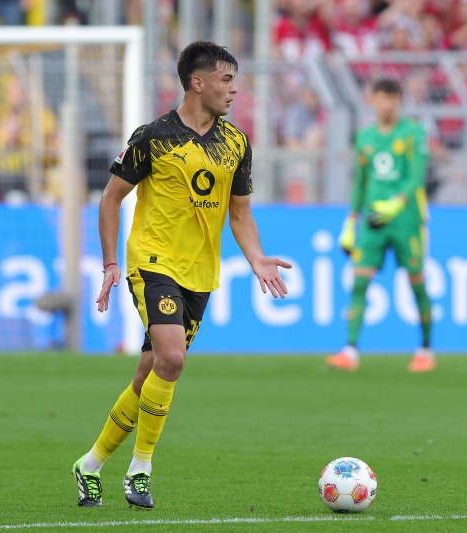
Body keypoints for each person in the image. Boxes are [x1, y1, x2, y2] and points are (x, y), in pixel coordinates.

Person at [71, 41, 292, 509]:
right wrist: (111, 263)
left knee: (148, 375)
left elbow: (240, 213)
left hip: (200, 274)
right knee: (172, 359)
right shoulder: (154, 137)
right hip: (152, 263)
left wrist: (256, 258)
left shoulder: (237, 144)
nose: (234, 89)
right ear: (198, 82)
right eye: (226, 80)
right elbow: (111, 198)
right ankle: (141, 468)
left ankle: (89, 465)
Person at [326, 78, 434, 373]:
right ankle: (350, 350)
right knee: (359, 282)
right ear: (372, 101)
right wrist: (351, 221)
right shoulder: (364, 137)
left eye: (390, 99)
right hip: (373, 221)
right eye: (380, 99)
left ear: (398, 101)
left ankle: (425, 349)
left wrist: (397, 203)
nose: (385, 105)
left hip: (406, 221)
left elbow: (416, 177)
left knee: (416, 283)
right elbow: (360, 182)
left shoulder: (413, 133)